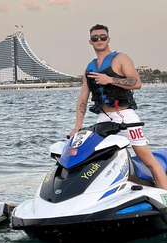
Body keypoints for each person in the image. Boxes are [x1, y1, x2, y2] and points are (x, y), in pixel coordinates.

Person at [70, 24, 167, 190]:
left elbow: (136, 83)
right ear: (90, 42)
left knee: (148, 160)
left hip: (125, 116)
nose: (99, 40)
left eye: (102, 37)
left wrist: (110, 80)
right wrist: (77, 126)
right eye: (95, 38)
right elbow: (83, 99)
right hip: (102, 119)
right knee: (97, 161)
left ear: (108, 39)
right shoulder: (89, 68)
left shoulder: (121, 59)